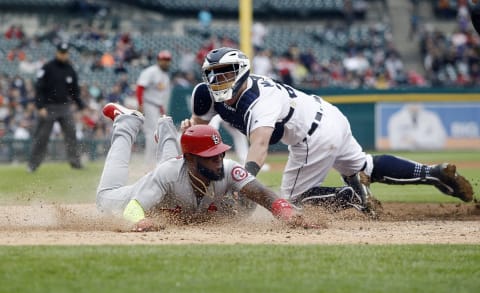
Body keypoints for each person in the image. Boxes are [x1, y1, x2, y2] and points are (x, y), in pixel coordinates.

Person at [181, 47, 474, 214]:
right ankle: (431, 173)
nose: (218, 81)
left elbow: (259, 146)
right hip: (329, 116)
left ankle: (353, 196)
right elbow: (200, 134)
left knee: (293, 198)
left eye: (226, 74)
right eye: (213, 75)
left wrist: (244, 183)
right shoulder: (204, 95)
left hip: (312, 136)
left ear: (242, 71)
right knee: (365, 165)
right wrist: (190, 133)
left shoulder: (260, 100)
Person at [97, 103, 315, 232]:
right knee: (105, 196)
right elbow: (131, 209)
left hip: (176, 173)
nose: (218, 160)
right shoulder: (170, 172)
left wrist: (286, 212)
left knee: (170, 167)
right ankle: (126, 122)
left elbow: (262, 193)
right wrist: (140, 221)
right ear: (190, 158)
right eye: (210, 157)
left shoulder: (228, 168)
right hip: (127, 197)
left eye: (219, 153)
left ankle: (164, 126)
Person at [28, 42, 86, 172]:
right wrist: (40, 106)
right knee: (41, 137)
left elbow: (74, 91)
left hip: (65, 107)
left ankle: (75, 163)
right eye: (61, 52)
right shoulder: (47, 68)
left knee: (71, 135)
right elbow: (39, 87)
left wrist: (81, 105)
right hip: (48, 107)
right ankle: (33, 165)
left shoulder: (70, 69)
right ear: (57, 52)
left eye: (65, 53)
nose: (63, 55)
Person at [136, 50, 173, 168]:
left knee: (158, 133)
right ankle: (149, 163)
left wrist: (162, 111)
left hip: (157, 107)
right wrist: (140, 104)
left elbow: (161, 97)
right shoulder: (151, 71)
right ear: (158, 60)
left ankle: (155, 162)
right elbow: (140, 87)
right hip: (148, 104)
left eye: (168, 60)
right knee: (151, 133)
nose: (166, 62)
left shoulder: (165, 76)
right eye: (164, 60)